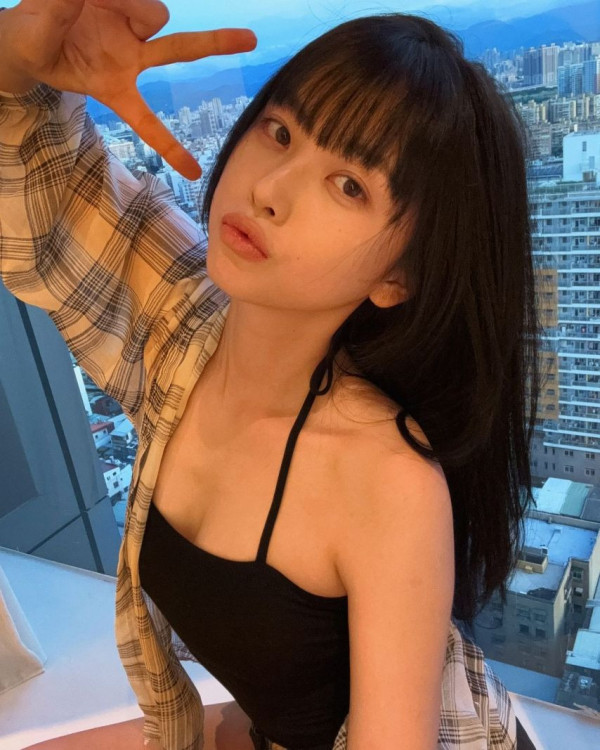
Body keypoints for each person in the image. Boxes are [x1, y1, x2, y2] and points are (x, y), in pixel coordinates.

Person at [0, 1, 541, 749]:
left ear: (398, 277)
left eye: (348, 185)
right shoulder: (181, 322)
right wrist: (13, 63)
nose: (270, 189)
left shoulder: (387, 482)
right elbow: (48, 207)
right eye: (280, 131)